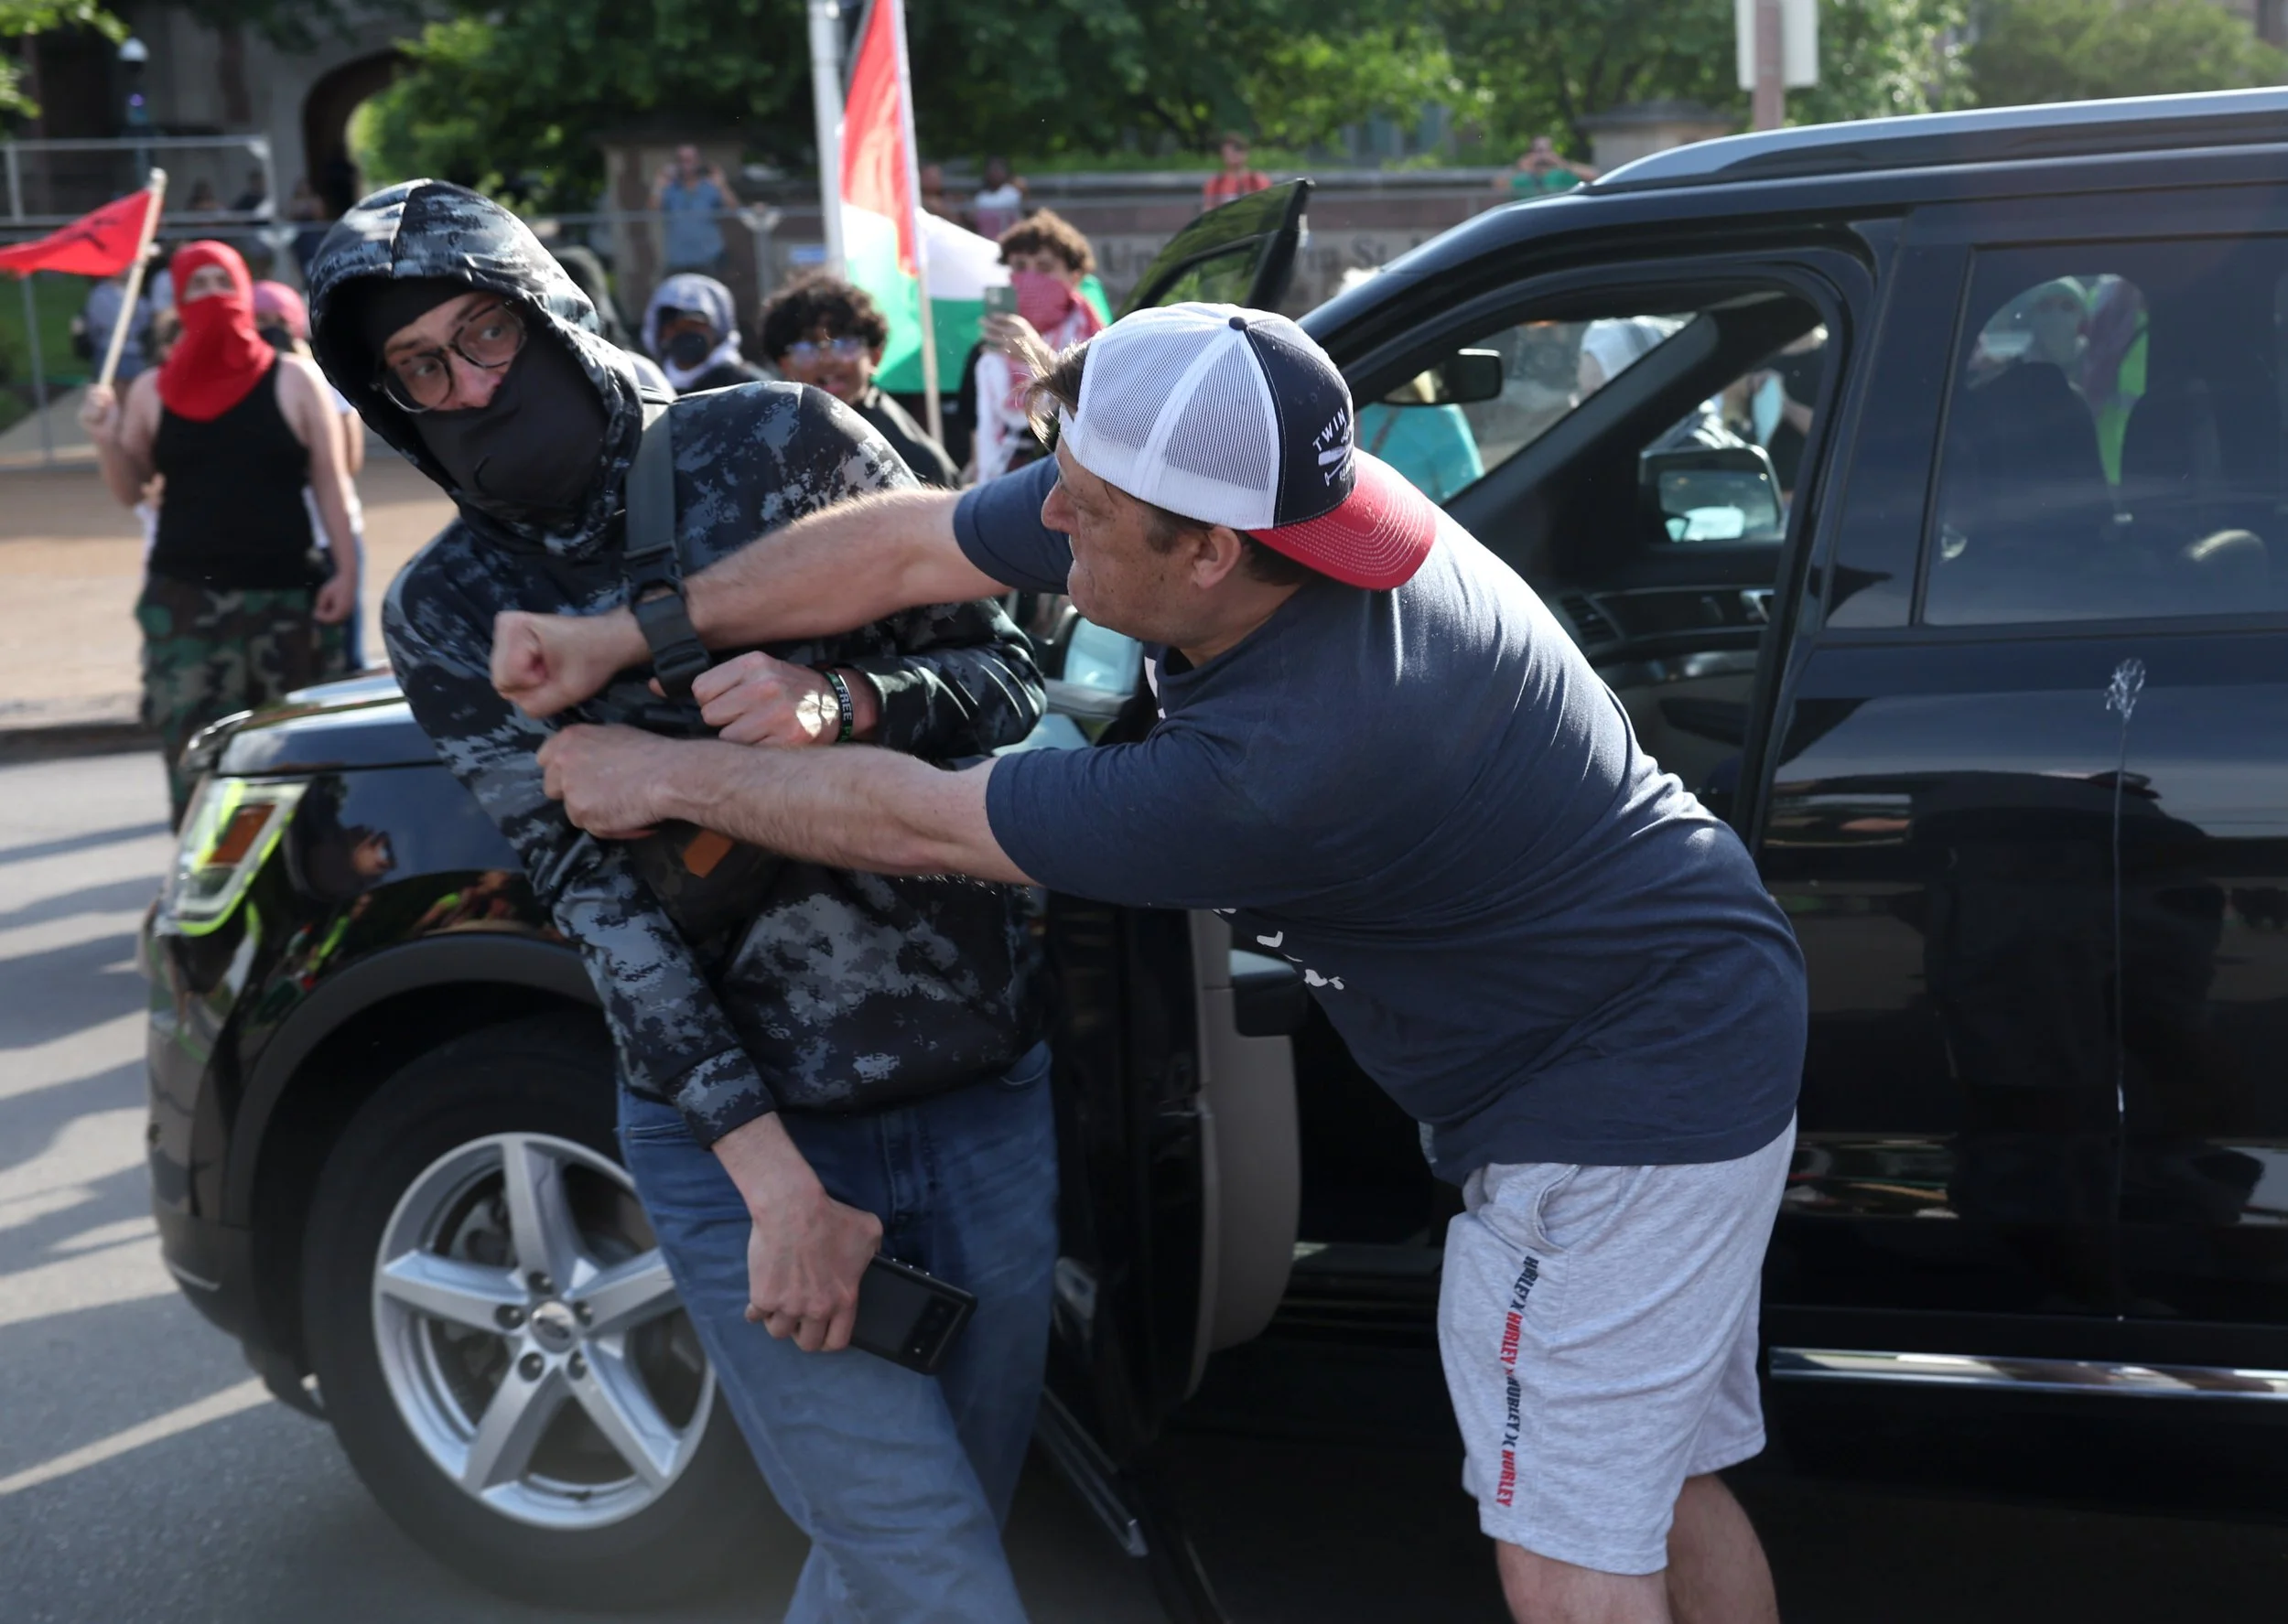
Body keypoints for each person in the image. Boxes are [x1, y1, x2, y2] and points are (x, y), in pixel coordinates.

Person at [504, 302, 1809, 1624]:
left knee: (1570, 1552)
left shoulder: (1285, 761)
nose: (1048, 523)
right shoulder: (1280, 498)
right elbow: (920, 541)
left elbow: (914, 816)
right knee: (1662, 1481)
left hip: (1609, 1120)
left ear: (1206, 555)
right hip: (1705, 1001)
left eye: (1082, 513)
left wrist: (660, 769)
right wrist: (629, 633)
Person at [306, 179, 1055, 1623]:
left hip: (974, 1091)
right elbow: (598, 897)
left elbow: (1012, 682)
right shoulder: (449, 605)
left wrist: (841, 697)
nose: (471, 385)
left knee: (915, 1534)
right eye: (423, 369)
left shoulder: (785, 440)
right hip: (739, 1146)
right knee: (936, 1574)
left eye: (487, 334)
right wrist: (778, 1190)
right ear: (392, 407)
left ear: (553, 314)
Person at [79, 241, 357, 825]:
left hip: (289, 599)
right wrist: (105, 438)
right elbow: (132, 489)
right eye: (196, 287)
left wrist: (348, 571)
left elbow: (331, 483)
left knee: (303, 765)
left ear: (243, 292)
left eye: (221, 283)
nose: (211, 298)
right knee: (199, 766)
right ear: (178, 302)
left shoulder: (294, 379)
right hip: (186, 609)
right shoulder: (153, 391)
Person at [255, 278, 372, 668]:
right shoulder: (239, 385)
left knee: (341, 656)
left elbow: (350, 462)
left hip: (330, 534)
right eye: (259, 320)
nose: (269, 329)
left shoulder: (321, 376)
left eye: (276, 319)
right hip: (275, 541)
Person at [761, 273, 957, 488]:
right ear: (784, 364)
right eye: (808, 347)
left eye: (844, 344)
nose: (827, 360)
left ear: (875, 356)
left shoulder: (916, 458)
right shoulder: (763, 444)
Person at [971, 210, 1102, 482]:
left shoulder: (1101, 342)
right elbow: (977, 435)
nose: (1030, 279)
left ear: (1074, 277)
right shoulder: (987, 352)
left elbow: (1100, 405)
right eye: (1019, 267)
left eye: (1044, 268)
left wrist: (1037, 354)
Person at [641, 271, 767, 393]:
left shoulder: (750, 386)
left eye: (694, 325)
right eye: (675, 327)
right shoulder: (651, 388)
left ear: (717, 328)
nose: (685, 333)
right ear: (660, 333)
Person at [650, 144, 735, 274]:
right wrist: (658, 185)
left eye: (690, 160)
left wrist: (722, 185)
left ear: (698, 161)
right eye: (681, 160)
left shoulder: (710, 187)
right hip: (678, 260)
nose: (686, 164)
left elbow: (734, 209)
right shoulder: (670, 189)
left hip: (709, 258)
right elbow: (652, 211)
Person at [1502, 135, 1598, 199]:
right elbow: (1498, 185)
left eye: (1547, 150)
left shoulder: (1563, 171)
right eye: (1538, 150)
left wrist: (1563, 164)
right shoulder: (1522, 175)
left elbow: (1594, 175)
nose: (1543, 156)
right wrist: (1521, 167)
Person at [1203, 132, 1270, 207]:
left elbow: (1266, 208)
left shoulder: (1258, 180)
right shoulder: (1215, 183)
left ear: (1246, 153)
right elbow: (1208, 211)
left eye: (1237, 149)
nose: (1234, 154)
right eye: (1229, 152)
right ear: (1223, 154)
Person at [969, 156, 1026, 241]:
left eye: (999, 170)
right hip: (985, 238)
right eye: (993, 170)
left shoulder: (1013, 193)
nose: (996, 173)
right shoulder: (981, 196)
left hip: (1010, 239)